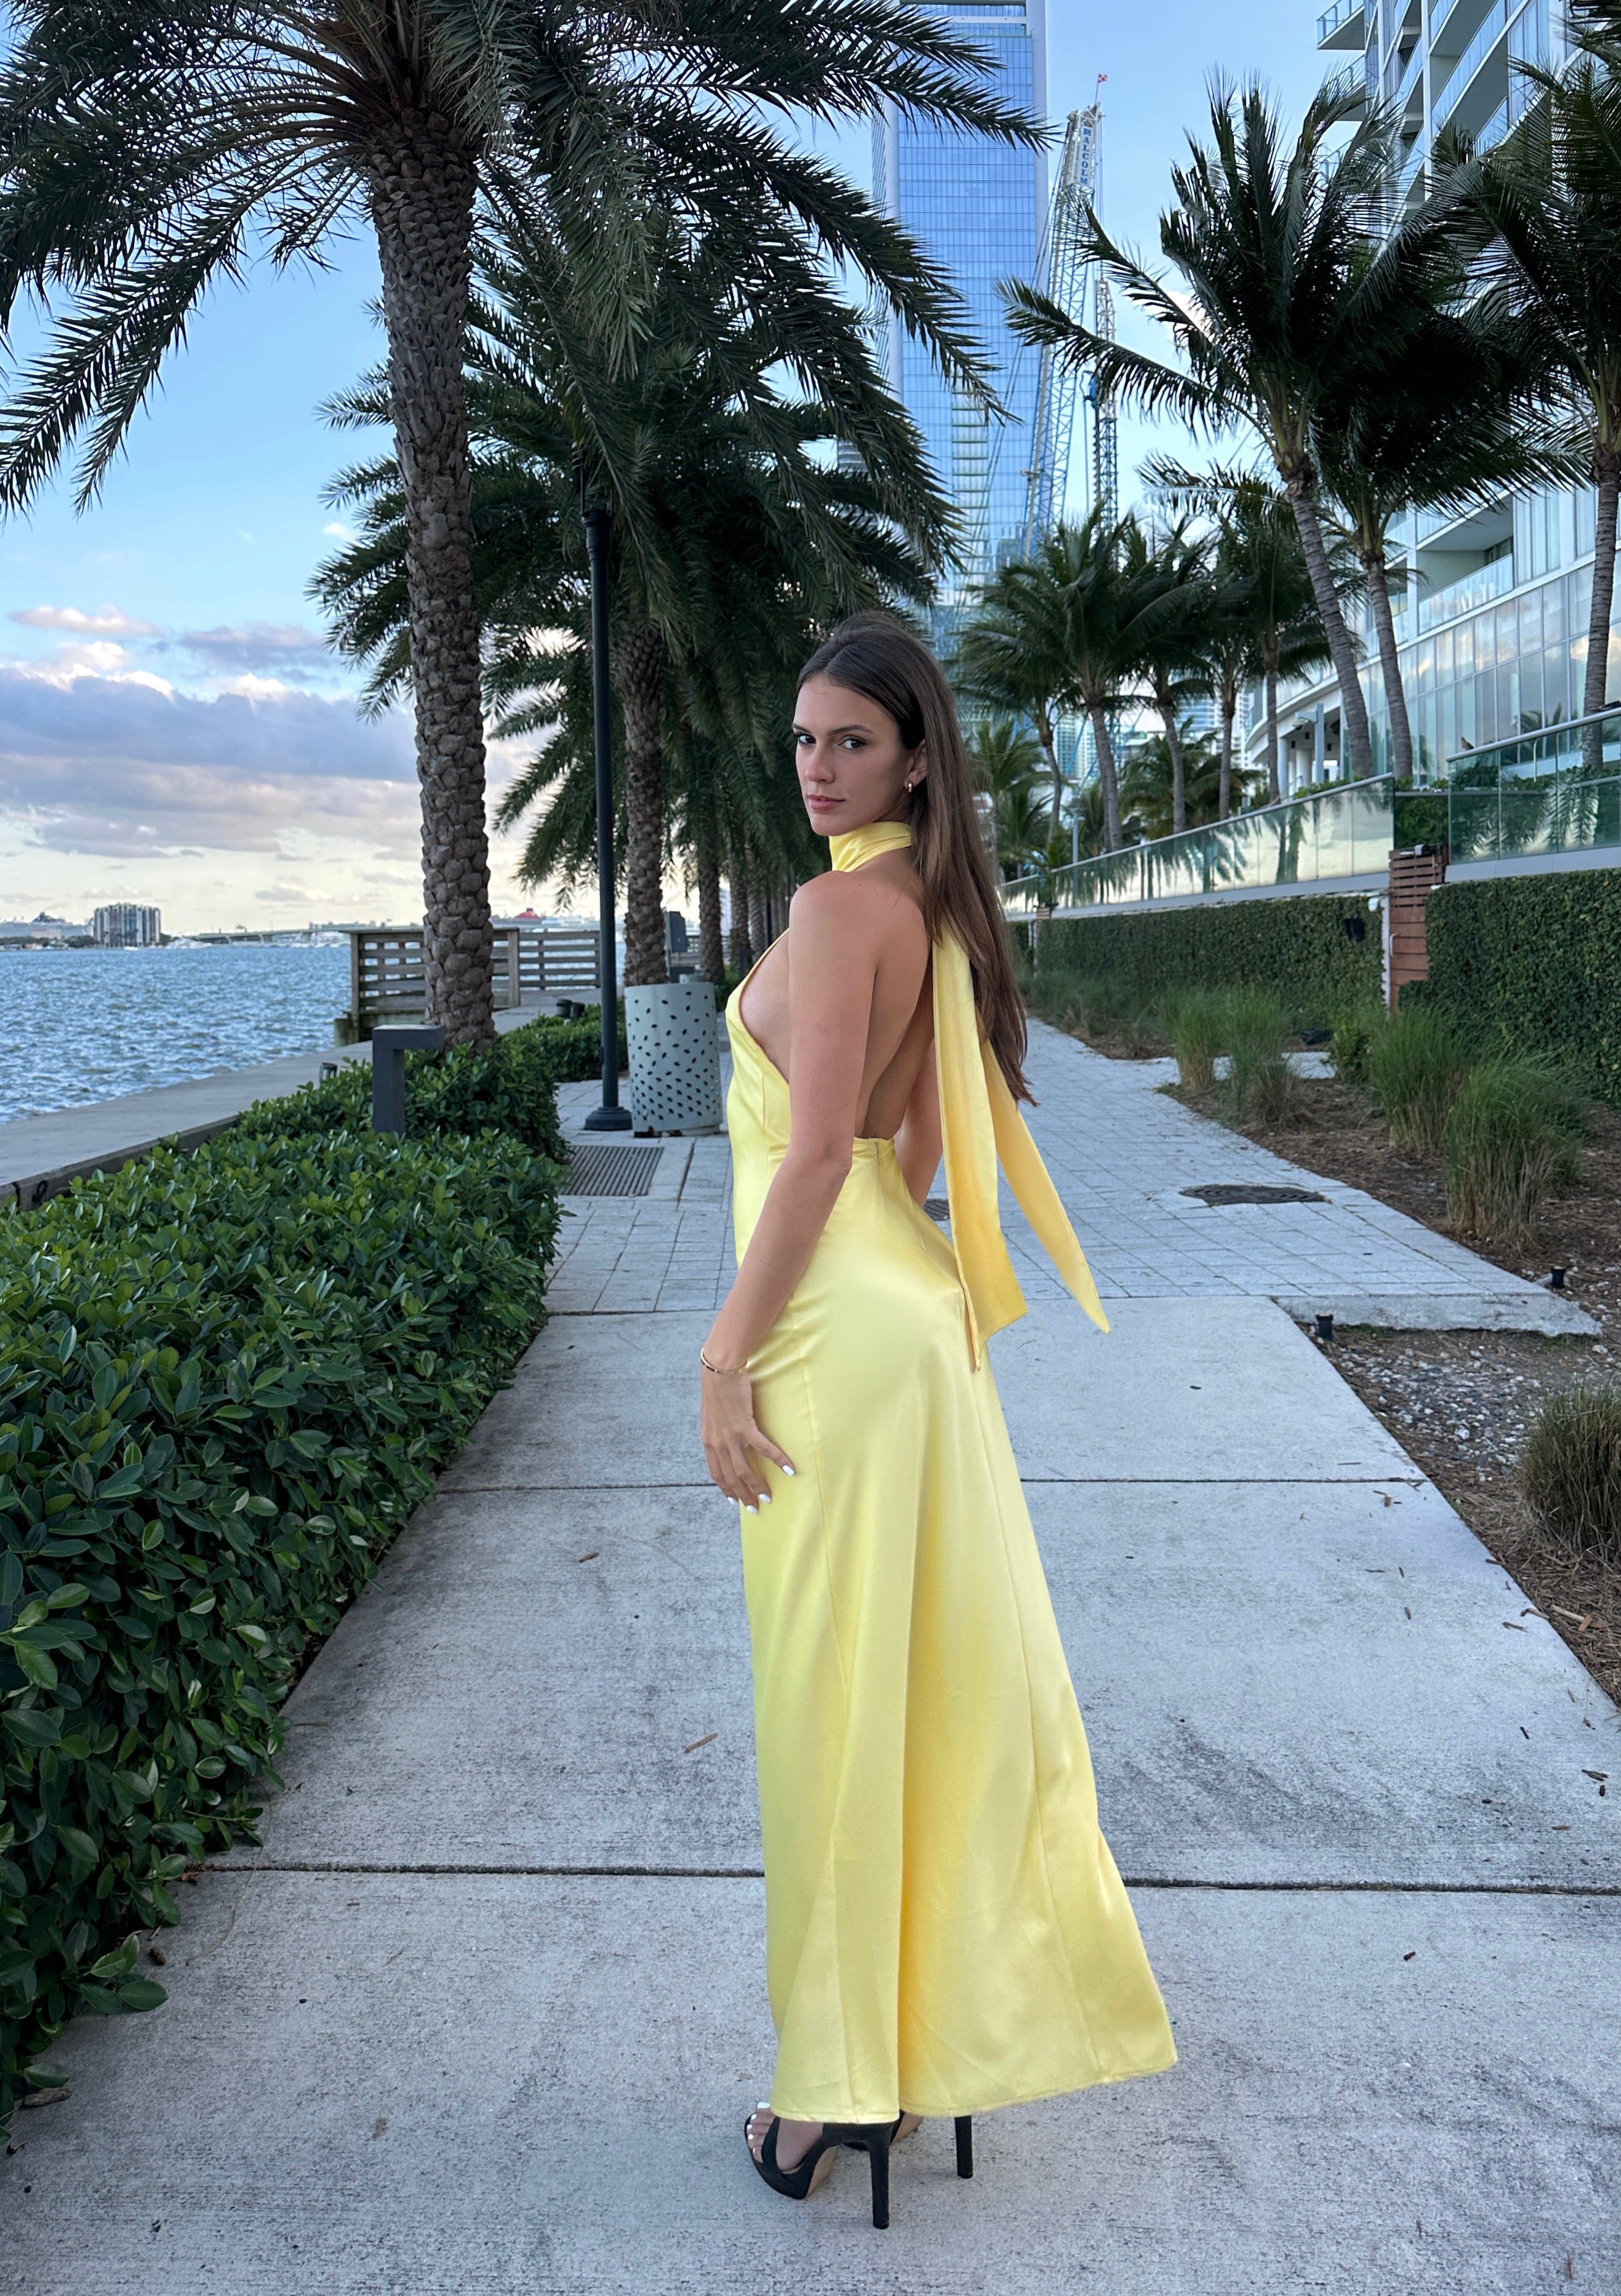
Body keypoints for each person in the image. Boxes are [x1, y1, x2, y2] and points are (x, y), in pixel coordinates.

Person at [700, 613, 1175, 2231]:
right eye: (803, 740)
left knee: (830, 1708)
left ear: (914, 756)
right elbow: (901, 1157)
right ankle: (898, 2055)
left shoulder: (839, 909)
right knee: (908, 1692)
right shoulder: (932, 905)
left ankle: (829, 2088)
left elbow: (817, 1155)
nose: (817, 768)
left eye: (850, 740)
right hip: (907, 1317)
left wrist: (723, 1355)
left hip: (836, 1332)